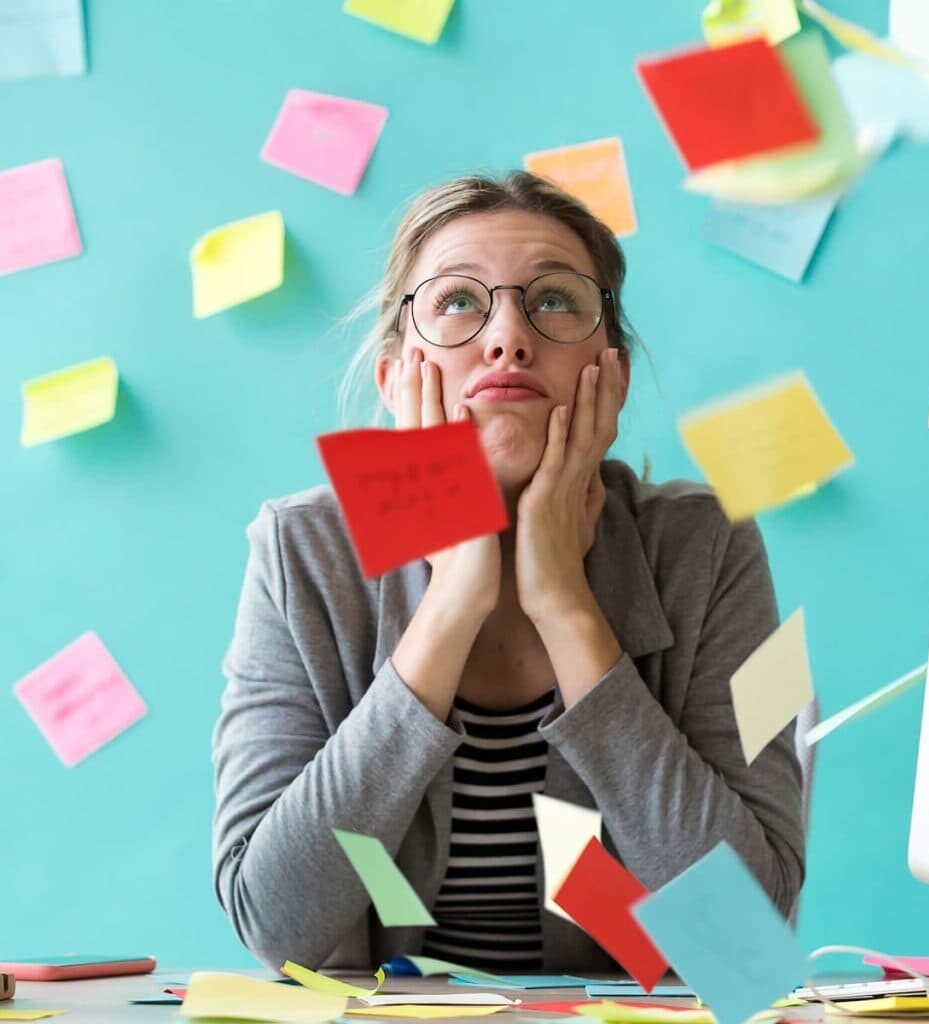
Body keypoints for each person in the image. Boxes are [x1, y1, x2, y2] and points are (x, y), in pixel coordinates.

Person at [212, 170, 805, 974]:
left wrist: (567, 607)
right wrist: (454, 598)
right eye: (458, 301)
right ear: (396, 381)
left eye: (555, 300)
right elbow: (277, 926)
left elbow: (742, 937)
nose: (507, 338)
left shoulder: (712, 546)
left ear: (615, 376)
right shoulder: (300, 553)